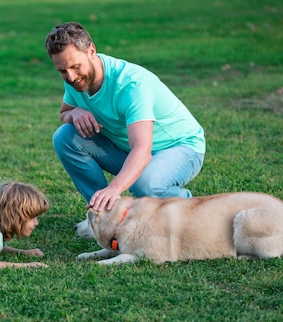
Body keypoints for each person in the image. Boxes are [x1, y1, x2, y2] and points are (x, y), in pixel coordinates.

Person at [44, 22, 206, 212]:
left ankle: (193, 208)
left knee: (145, 185)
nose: (70, 77)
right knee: (65, 137)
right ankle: (102, 213)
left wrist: (113, 189)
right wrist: (75, 112)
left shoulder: (131, 85)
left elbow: (142, 149)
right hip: (130, 150)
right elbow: (64, 112)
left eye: (75, 67)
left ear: (91, 51)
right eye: (62, 71)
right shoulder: (76, 79)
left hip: (180, 147)